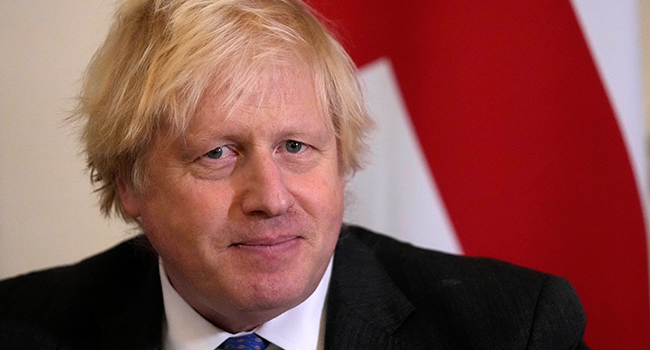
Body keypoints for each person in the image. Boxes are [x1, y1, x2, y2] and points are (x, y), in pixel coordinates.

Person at [0, 0, 590, 349]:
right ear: (130, 182)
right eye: (217, 154)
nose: (271, 198)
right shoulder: (20, 327)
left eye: (295, 145)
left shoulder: (510, 331)